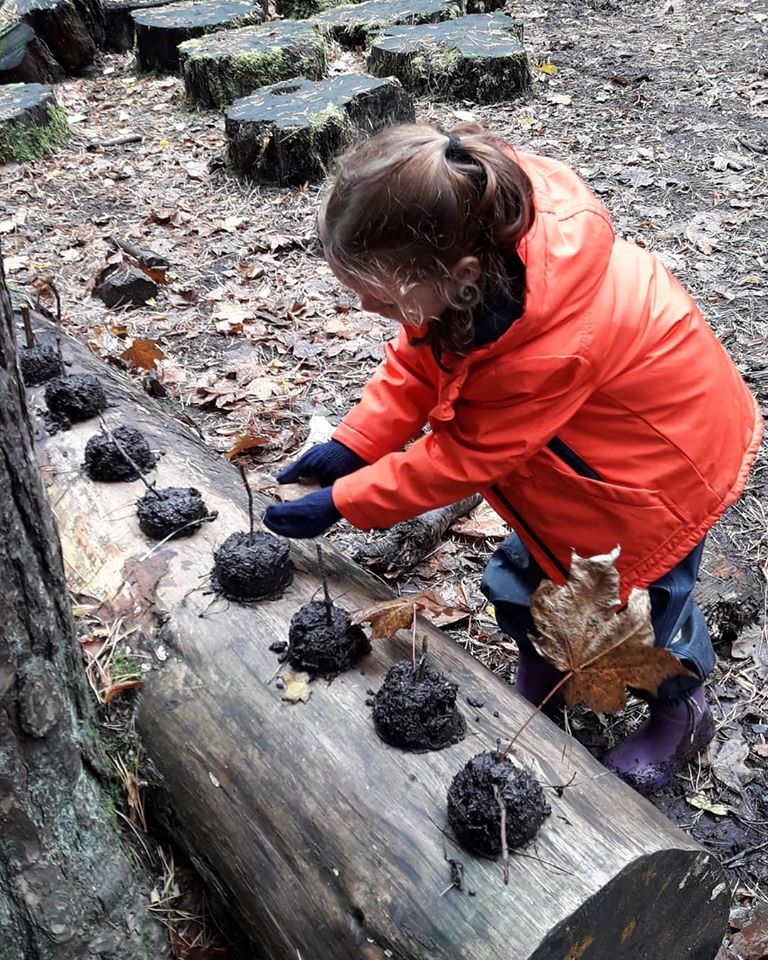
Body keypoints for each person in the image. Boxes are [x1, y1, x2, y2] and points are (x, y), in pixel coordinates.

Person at [263, 123, 762, 796]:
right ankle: (547, 659)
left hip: (654, 478)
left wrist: (345, 502)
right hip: (573, 470)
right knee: (525, 580)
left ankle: (682, 712)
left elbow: (460, 458)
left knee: (639, 613)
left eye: (377, 295)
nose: (364, 305)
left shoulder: (550, 347)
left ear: (461, 278)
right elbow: (418, 356)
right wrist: (356, 442)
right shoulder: (465, 247)